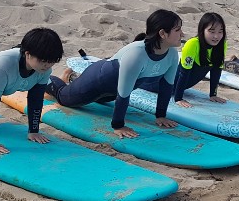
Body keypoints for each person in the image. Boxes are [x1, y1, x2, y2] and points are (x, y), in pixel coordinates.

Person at [46, 10, 182, 138]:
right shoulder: (136, 54)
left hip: (111, 93)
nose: (182, 34)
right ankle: (45, 79)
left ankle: (72, 79)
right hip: (97, 82)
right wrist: (118, 126)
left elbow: (166, 86)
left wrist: (160, 116)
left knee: (97, 99)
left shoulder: (171, 54)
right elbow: (124, 94)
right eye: (177, 30)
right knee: (64, 98)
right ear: (163, 33)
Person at [170, 12, 230, 107]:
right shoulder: (192, 44)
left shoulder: (222, 45)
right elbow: (183, 73)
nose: (216, 36)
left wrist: (213, 95)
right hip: (165, 84)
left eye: (220, 32)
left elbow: (216, 70)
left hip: (183, 86)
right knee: (143, 84)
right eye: (212, 31)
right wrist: (178, 98)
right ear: (202, 30)